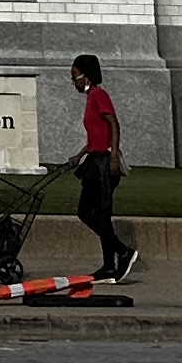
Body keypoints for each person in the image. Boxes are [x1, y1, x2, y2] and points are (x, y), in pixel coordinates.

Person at [67, 54, 137, 283]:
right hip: (94, 159)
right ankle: (109, 266)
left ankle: (123, 252)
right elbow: (97, 135)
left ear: (85, 77)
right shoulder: (90, 99)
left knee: (87, 212)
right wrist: (79, 154)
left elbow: (114, 126)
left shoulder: (99, 96)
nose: (73, 81)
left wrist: (114, 157)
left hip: (104, 163)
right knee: (100, 216)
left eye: (75, 76)